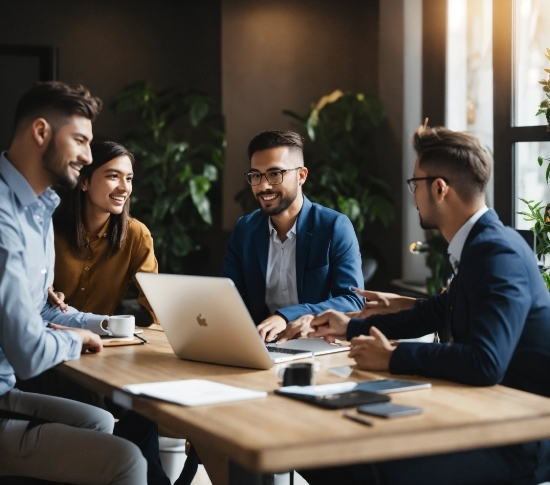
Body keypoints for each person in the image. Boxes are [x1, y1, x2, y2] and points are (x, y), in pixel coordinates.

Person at [301, 125, 550, 485]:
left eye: (414, 184)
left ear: (439, 188)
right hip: (489, 415)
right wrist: (349, 326)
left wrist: (392, 357)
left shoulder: (497, 252)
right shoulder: (480, 244)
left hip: (521, 437)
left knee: (365, 466)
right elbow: (437, 310)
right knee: (332, 451)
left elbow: (486, 363)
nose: (413, 196)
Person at [0, 81, 147, 484]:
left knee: (99, 420)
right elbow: (29, 353)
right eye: (80, 140)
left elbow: (42, 309)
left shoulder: (39, 208)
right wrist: (75, 339)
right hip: (7, 386)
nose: (86, 155)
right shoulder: (4, 218)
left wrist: (98, 326)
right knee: (128, 460)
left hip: (4, 387)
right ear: (41, 132)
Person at [221, 130, 364, 343]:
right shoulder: (246, 230)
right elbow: (229, 298)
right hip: (261, 345)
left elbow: (353, 301)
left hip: (316, 344)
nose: (263, 186)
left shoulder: (333, 227)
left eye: (275, 174)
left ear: (301, 176)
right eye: (256, 175)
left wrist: (286, 316)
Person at [51, 140, 158, 321]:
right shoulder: (49, 229)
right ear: (84, 182)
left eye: (129, 178)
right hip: (47, 334)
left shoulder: (136, 234)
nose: (124, 188)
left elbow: (155, 303)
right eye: (114, 176)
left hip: (101, 341)